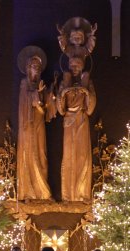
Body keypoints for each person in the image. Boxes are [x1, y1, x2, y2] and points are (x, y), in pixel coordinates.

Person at [56, 54, 96, 202]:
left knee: (82, 156)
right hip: (69, 123)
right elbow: (60, 109)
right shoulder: (64, 83)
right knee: (69, 156)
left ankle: (82, 194)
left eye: (77, 65)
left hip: (82, 120)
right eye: (72, 66)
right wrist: (63, 93)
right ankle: (67, 195)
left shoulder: (87, 82)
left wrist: (86, 92)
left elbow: (90, 108)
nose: (74, 69)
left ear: (82, 67)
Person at [16, 46, 52, 201]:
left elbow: (45, 106)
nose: (36, 70)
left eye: (38, 67)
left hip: (39, 123)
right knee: (29, 153)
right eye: (33, 67)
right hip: (27, 126)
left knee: (41, 153)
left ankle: (42, 192)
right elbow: (27, 101)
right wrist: (37, 94)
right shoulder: (24, 83)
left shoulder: (41, 85)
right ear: (28, 68)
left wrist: (50, 95)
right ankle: (28, 192)